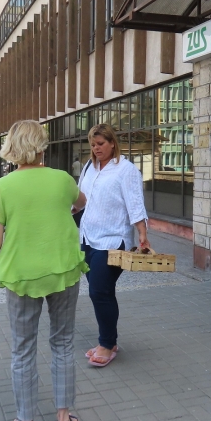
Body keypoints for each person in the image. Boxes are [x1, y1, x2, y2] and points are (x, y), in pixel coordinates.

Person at [0, 120, 88, 421]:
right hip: (63, 270)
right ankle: (64, 418)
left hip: (21, 277)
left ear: (12, 148)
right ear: (42, 146)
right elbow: (82, 202)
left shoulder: (2, 187)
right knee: (63, 342)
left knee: (23, 347)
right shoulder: (62, 179)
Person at [77, 123, 150, 367]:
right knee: (103, 292)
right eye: (93, 145)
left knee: (98, 291)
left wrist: (142, 234)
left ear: (112, 143)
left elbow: (135, 204)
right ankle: (109, 341)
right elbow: (80, 199)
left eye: (100, 144)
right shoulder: (89, 167)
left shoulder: (126, 170)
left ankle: (106, 344)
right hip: (88, 238)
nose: (96, 148)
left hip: (113, 240)